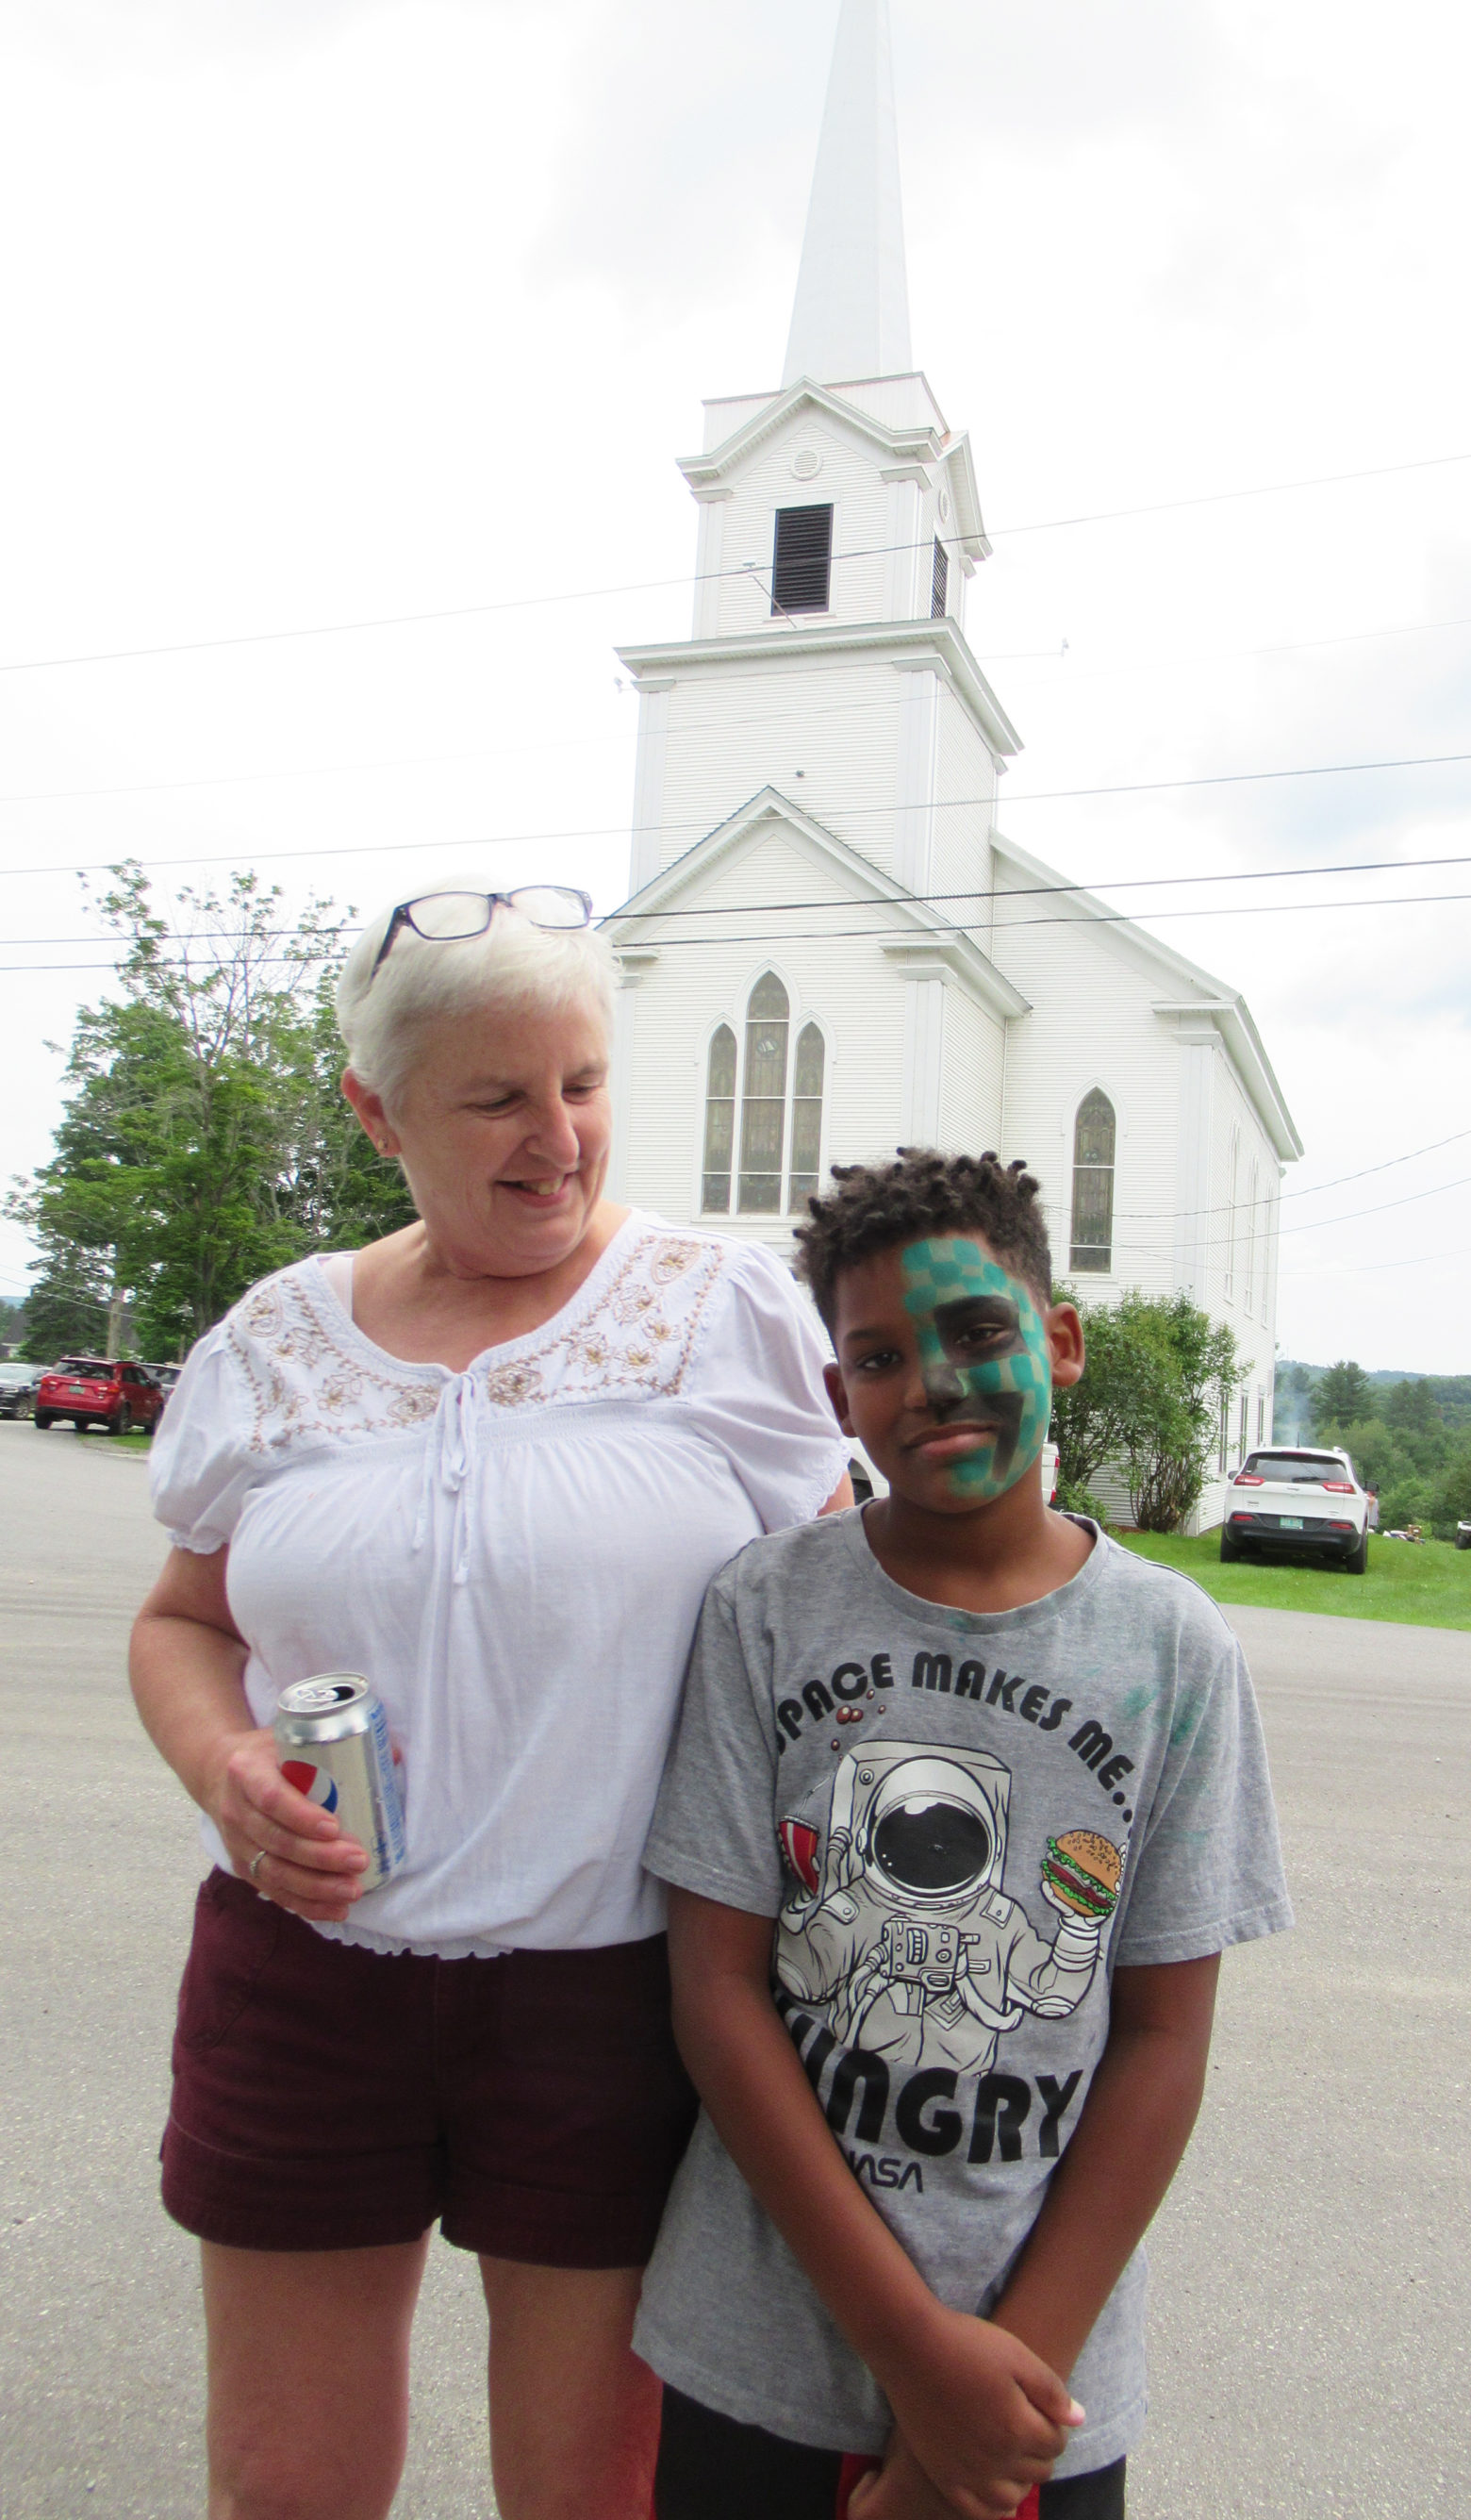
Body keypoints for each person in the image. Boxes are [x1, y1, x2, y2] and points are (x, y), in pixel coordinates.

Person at [128, 881, 851, 2520]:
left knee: (588, 2494)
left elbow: (839, 1615)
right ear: (375, 1110)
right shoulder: (276, 1341)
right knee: (282, 2489)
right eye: (499, 1098)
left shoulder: (716, 1311)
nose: (560, 1139)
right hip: (302, 1985)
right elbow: (181, 1617)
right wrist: (222, 1757)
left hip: (613, 1998)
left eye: (584, 1084)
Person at [635, 1149, 1293, 2520]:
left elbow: (1164, 2039)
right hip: (760, 2356)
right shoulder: (764, 1612)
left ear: (1059, 1339)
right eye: (879, 1357)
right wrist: (914, 2356)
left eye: (980, 1332)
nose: (934, 1382)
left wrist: (976, 2413)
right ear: (838, 1399)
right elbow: (717, 1992)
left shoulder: (1172, 1652)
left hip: (1034, 2393)